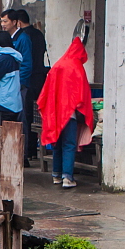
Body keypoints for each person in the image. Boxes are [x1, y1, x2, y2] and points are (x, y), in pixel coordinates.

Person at [36, 39, 95, 190]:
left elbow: (46, 92)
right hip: (70, 114)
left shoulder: (58, 65)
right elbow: (83, 94)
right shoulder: (77, 67)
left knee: (57, 143)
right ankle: (67, 177)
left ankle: (56, 174)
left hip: (54, 113)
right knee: (69, 145)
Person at [0, 7, 48, 164]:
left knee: (24, 118)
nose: (2, 24)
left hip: (22, 85)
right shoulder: (15, 38)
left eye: (5, 21)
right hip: (15, 84)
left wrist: (20, 84)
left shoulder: (23, 38)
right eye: (1, 21)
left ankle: (25, 154)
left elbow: (26, 64)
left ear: (16, 22)